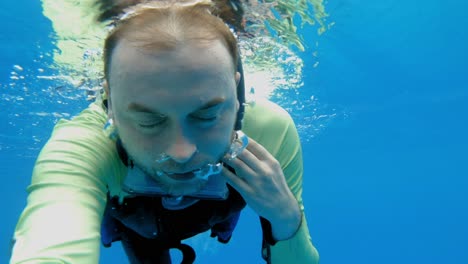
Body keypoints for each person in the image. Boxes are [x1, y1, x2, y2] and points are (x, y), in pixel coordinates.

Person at [10, 0, 319, 263]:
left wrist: (285, 218)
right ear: (110, 106)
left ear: (237, 96)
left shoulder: (269, 129)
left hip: (218, 209)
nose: (181, 151)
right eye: (149, 121)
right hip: (133, 222)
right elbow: (50, 237)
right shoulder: (84, 145)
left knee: (229, 219)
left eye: (207, 115)